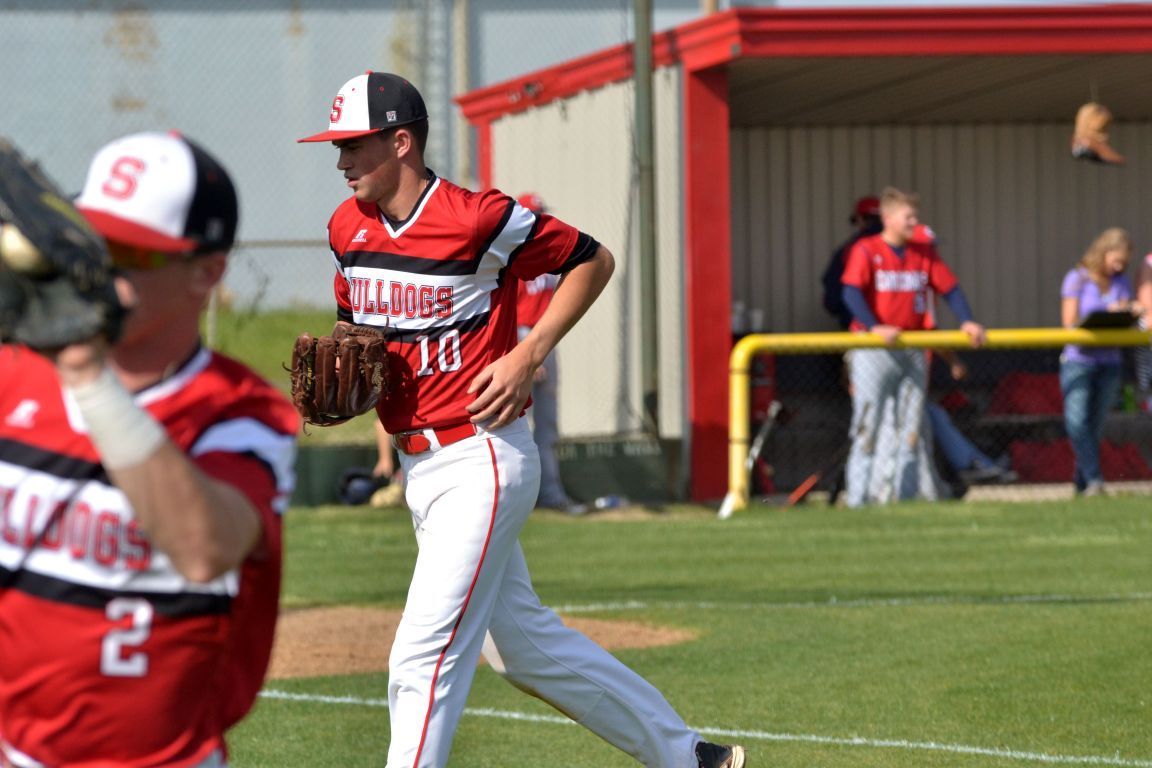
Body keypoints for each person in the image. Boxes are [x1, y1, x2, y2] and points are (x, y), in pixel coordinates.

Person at [297, 71, 745, 768]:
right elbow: (353, 325)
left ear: (402, 142)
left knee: (422, 656)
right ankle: (690, 757)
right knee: (524, 649)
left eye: (355, 145)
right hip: (421, 467)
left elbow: (593, 260)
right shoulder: (345, 227)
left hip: (482, 458)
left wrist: (529, 352)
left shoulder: (477, 217)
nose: (341, 161)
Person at [0, 132, 299, 766]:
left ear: (209, 271)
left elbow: (203, 548)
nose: (103, 266)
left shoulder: (237, 411)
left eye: (132, 251)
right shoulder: (14, 372)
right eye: (94, 239)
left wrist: (89, 377)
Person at [840, 186, 986, 508]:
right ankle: (858, 502)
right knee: (867, 428)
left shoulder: (923, 252)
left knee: (910, 430)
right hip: (874, 349)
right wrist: (874, 325)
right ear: (888, 218)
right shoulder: (867, 250)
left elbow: (950, 288)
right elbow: (849, 293)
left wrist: (967, 320)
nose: (914, 221)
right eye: (908, 216)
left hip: (913, 348)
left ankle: (902, 501)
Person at [515, 192, 588, 516]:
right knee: (517, 425)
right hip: (524, 340)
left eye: (542, 214)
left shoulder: (547, 256)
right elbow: (509, 310)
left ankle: (551, 494)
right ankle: (520, 498)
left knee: (547, 426)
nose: (540, 220)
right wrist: (527, 350)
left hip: (545, 340)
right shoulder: (512, 256)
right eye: (535, 214)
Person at [1059, 227, 1140, 496]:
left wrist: (1131, 310)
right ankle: (1093, 479)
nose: (1119, 266)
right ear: (1102, 253)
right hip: (1079, 361)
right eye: (1115, 259)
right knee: (1076, 421)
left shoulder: (1121, 282)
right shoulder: (1077, 279)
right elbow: (1068, 323)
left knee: (1094, 425)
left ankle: (1085, 482)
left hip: (1110, 361)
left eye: (1123, 262)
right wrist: (1106, 311)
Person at [821, 195, 882, 330]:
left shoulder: (852, 248)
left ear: (859, 219)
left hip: (861, 327)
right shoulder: (906, 247)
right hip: (902, 331)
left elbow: (832, 294)